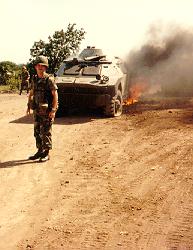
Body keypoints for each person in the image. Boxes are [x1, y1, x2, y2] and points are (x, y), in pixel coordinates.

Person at [26, 55, 58, 162]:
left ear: (45, 67)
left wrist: (53, 110)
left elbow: (55, 95)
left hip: (46, 111)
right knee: (37, 131)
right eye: (38, 65)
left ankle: (46, 153)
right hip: (37, 110)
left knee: (46, 132)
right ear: (35, 67)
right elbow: (31, 92)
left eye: (42, 65)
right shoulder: (34, 79)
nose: (40, 67)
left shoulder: (49, 79)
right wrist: (28, 105)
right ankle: (39, 151)